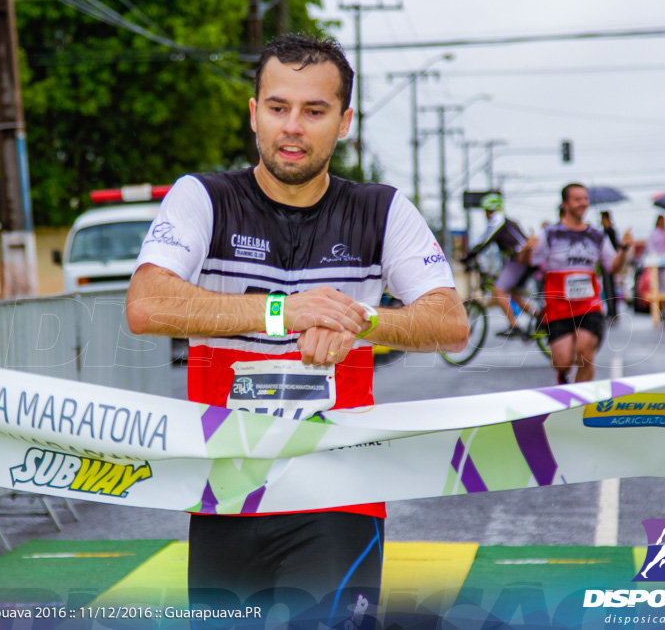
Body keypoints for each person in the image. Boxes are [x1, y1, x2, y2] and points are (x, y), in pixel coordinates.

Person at [125, 34, 468, 623]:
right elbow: (146, 305)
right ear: (253, 113)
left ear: (344, 122)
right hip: (225, 494)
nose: (293, 126)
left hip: (339, 492)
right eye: (278, 107)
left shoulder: (381, 209)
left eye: (315, 111)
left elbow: (450, 322)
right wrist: (285, 311)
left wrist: (359, 320)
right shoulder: (202, 197)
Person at [519, 184, 633, 384]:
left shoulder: (597, 236)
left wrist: (623, 249)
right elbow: (528, 261)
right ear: (565, 204)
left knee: (584, 353)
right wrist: (527, 249)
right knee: (562, 362)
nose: (583, 203)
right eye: (577, 199)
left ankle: (580, 404)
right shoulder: (551, 234)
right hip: (558, 307)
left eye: (585, 199)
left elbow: (613, 266)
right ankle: (564, 379)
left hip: (589, 306)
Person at [462, 193, 538, 338]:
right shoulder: (506, 221)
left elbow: (485, 240)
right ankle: (542, 317)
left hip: (518, 259)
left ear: (490, 209)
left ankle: (513, 325)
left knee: (498, 291)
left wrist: (468, 256)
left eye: (486, 210)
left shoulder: (498, 220)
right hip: (524, 260)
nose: (485, 214)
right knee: (514, 294)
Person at [598, 211, 620, 321]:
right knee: (608, 288)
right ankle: (611, 311)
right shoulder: (607, 231)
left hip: (609, 263)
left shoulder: (609, 232)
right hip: (608, 263)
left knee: (609, 287)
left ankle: (612, 311)